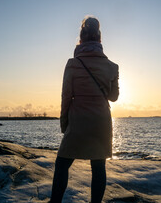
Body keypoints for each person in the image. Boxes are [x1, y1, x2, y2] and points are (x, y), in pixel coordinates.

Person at [50, 16, 119, 203]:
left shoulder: (72, 64)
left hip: (78, 121)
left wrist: (65, 125)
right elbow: (113, 97)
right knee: (98, 167)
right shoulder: (112, 66)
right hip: (101, 121)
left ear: (81, 39)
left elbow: (66, 98)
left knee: (62, 164)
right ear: (99, 39)